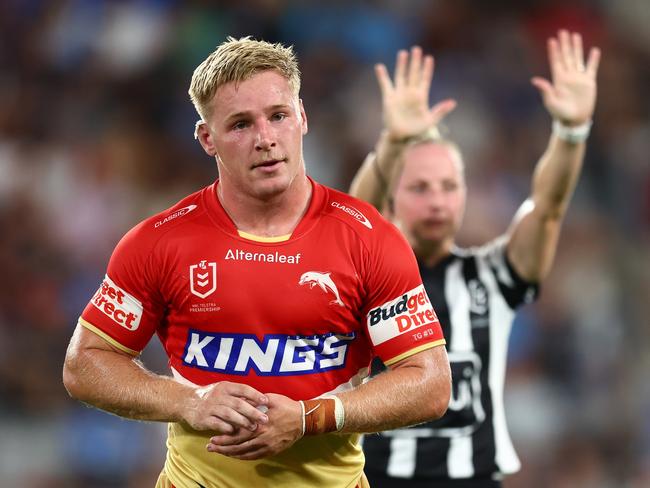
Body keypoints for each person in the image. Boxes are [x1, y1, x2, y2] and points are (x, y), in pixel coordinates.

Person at [62, 37, 452, 488]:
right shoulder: (158, 243)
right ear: (208, 138)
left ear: (302, 117)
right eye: (241, 124)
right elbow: (85, 364)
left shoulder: (369, 239)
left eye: (278, 116)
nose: (265, 139)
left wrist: (312, 417)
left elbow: (429, 382)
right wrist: (187, 400)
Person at [350, 30, 600, 487]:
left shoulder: (493, 275)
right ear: (394, 197)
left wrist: (570, 132)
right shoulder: (368, 275)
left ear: (466, 193)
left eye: (449, 186)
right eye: (420, 187)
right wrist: (393, 141)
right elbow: (353, 222)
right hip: (374, 478)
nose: (437, 201)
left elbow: (548, 207)